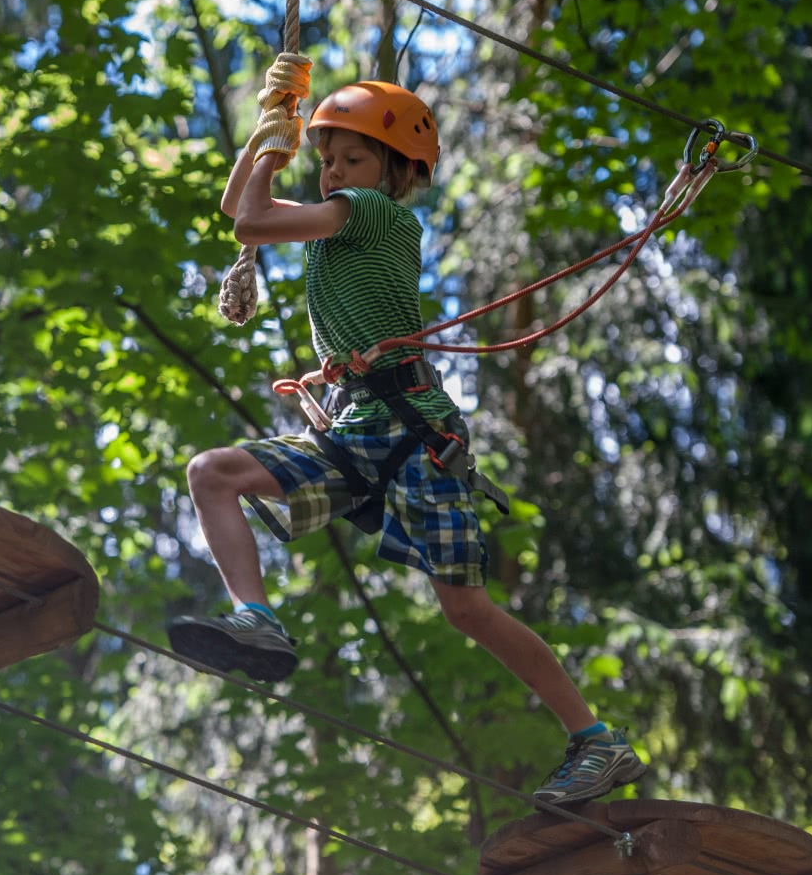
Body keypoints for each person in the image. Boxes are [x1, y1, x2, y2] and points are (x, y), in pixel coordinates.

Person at [165, 77, 646, 806]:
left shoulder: (371, 214)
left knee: (467, 610)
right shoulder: (343, 215)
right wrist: (269, 131)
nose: (333, 173)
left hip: (413, 431)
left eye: (351, 160)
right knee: (213, 473)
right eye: (327, 161)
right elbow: (239, 208)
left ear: (398, 173)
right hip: (354, 427)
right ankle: (257, 621)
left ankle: (596, 740)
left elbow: (250, 222)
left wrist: (274, 141)